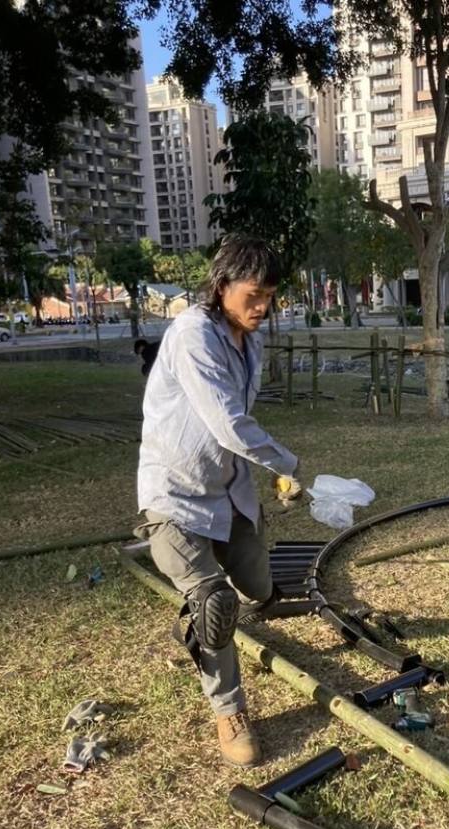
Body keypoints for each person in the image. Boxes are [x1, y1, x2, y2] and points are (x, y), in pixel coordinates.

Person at [134, 235, 301, 768]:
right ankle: (229, 710)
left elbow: (236, 426)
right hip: (176, 495)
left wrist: (269, 474)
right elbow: (228, 423)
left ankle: (202, 622)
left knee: (256, 588)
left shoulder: (250, 343)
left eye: (270, 296)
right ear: (222, 285)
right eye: (254, 295)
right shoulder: (192, 336)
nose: (263, 308)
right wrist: (286, 463)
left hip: (228, 492)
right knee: (214, 602)